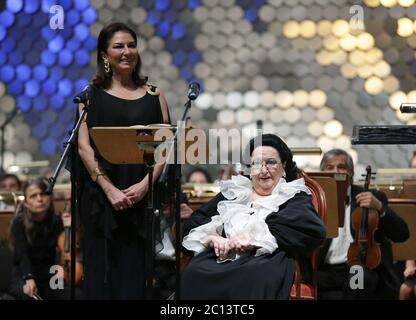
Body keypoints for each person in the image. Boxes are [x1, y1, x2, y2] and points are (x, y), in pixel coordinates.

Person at [76, 22, 170, 299]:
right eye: (118, 46)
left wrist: (145, 186)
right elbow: (83, 148)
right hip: (101, 200)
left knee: (135, 279)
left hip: (141, 200)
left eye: (131, 45)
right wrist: (109, 189)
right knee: (100, 279)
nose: (127, 51)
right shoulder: (89, 97)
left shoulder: (155, 95)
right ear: (104, 55)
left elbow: (165, 147)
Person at [180, 134, 326, 299]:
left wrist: (253, 238)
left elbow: (311, 229)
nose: (263, 170)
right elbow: (194, 223)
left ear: (283, 165)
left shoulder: (293, 195)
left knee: (254, 276)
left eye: (271, 162)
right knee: (194, 272)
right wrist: (213, 238)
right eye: (256, 164)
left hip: (266, 259)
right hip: (222, 257)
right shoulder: (234, 193)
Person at [317, 149, 410, 299]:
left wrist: (380, 208)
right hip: (326, 272)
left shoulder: (373, 197)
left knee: (359, 279)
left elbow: (402, 234)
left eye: (342, 167)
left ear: (351, 172)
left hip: (357, 267)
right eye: (329, 167)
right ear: (322, 172)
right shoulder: (316, 200)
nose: (336, 171)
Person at [8, 178, 69, 300]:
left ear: (50, 197)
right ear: (26, 203)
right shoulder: (19, 223)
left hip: (51, 274)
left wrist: (69, 227)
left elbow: (64, 251)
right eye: (33, 196)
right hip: (24, 273)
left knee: (72, 294)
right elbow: (22, 254)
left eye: (43, 194)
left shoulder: (57, 221)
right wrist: (29, 278)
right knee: (29, 296)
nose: (40, 199)